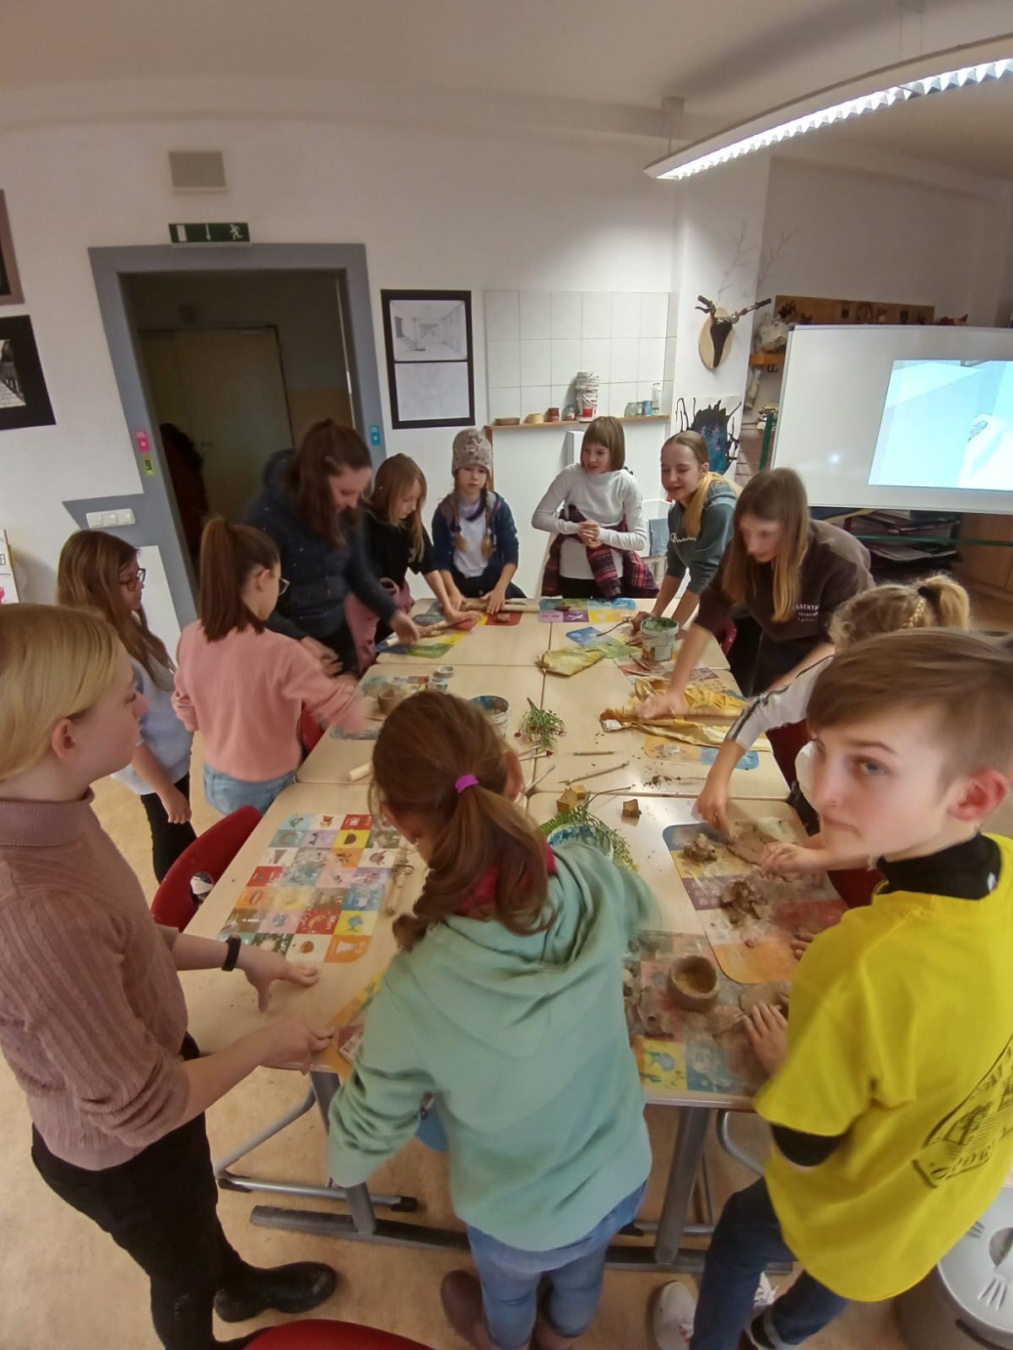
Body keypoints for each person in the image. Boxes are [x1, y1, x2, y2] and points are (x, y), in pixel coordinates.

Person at [653, 628, 1013, 1350]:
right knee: (847, 1273)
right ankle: (775, 1337)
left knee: (741, 1234)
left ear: (973, 793)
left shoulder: (860, 961)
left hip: (852, 1199)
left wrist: (790, 1063)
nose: (822, 790)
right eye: (823, 750)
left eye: (870, 765)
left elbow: (803, 1147)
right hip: (946, 1193)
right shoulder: (1003, 864)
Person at [0, 603, 338, 1350]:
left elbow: (126, 939)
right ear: (65, 738)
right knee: (180, 1277)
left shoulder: (56, 810)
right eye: (127, 697)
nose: (146, 707)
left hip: (153, 1081)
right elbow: (145, 1110)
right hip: (121, 1152)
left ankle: (237, 1286)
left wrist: (238, 954)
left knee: (196, 1216)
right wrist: (263, 1045)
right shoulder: (34, 912)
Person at [327, 690, 655, 1350]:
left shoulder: (414, 991)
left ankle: (506, 1340)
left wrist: (358, 1101)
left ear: (396, 822)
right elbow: (644, 907)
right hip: (622, 1175)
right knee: (584, 1268)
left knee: (507, 1291)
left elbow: (350, 1157)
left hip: (520, 1220)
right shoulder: (592, 875)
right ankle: (562, 1336)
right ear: (514, 771)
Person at [695, 574, 972, 836]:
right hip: (809, 808)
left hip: (862, 839)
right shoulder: (834, 669)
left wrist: (828, 852)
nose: (838, 668)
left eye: (850, 662)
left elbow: (907, 832)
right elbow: (761, 710)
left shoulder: (929, 731)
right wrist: (717, 778)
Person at [640, 468, 872, 715]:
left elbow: (834, 642)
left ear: (793, 528)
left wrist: (782, 689)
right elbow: (707, 616)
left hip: (841, 654)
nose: (752, 546)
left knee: (815, 720)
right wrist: (675, 691)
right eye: (745, 532)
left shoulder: (838, 559)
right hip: (779, 640)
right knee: (761, 717)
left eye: (765, 534)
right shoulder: (742, 551)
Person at [173, 518, 366, 815]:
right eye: (280, 582)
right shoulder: (281, 651)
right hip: (265, 786)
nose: (279, 590)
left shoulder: (190, 636)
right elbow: (344, 713)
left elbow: (186, 708)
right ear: (263, 580)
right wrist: (356, 699)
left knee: (243, 834)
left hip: (214, 778)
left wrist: (225, 724)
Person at [56, 529, 196, 882]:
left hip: (170, 758)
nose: (139, 585)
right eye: (128, 579)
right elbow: (131, 739)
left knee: (181, 829)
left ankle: (193, 882)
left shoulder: (126, 624)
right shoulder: (105, 654)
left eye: (138, 574)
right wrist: (164, 790)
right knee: (171, 832)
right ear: (96, 588)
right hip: (156, 769)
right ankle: (178, 899)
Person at [244, 419, 418, 675]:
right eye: (345, 492)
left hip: (338, 633)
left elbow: (359, 574)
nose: (353, 503)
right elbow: (249, 602)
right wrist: (298, 641)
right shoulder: (265, 516)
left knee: (350, 695)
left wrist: (392, 614)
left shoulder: (348, 510)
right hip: (285, 644)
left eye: (359, 492)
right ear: (315, 481)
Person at [346, 453, 467, 671]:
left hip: (393, 609)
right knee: (375, 666)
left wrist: (448, 607)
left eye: (417, 500)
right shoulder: (362, 521)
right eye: (406, 500)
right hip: (367, 609)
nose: (412, 507)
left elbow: (429, 567)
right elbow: (363, 585)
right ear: (385, 492)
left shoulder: (410, 522)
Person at [533, 415, 657, 600]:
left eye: (600, 453)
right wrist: (577, 528)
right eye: (586, 450)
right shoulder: (570, 475)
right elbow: (539, 518)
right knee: (571, 618)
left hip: (612, 573)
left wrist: (600, 534)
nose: (591, 459)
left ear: (614, 452)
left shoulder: (626, 483)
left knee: (609, 619)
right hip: (572, 571)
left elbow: (639, 540)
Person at [632, 431, 736, 634]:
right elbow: (675, 568)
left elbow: (703, 577)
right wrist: (656, 613)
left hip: (750, 613)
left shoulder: (719, 509)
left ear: (702, 470)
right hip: (719, 607)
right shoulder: (675, 512)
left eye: (682, 469)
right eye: (665, 470)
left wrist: (669, 630)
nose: (671, 478)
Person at [432, 429, 523, 616]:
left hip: (496, 592)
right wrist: (452, 592)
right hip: (461, 596)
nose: (474, 476)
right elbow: (441, 561)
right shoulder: (443, 513)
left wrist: (500, 590)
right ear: (456, 471)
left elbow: (511, 554)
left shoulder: (498, 508)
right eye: (468, 469)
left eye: (481, 471)